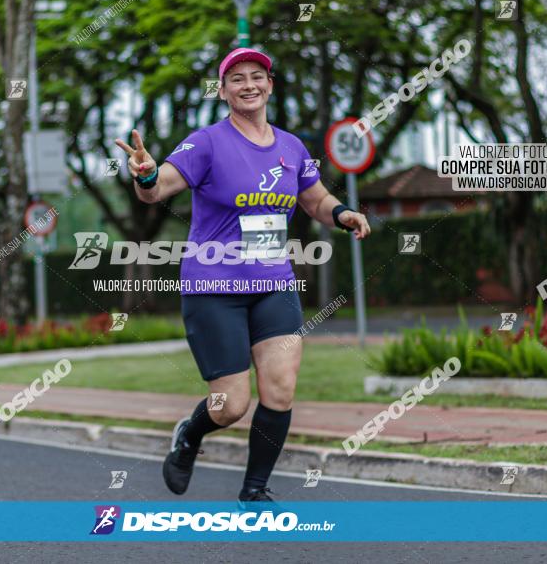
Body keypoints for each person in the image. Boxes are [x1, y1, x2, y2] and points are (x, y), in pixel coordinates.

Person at [114, 48, 370, 508]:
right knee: (230, 406)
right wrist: (147, 174)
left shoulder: (291, 147)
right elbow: (158, 188)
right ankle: (190, 435)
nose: (248, 85)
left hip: (274, 284)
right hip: (214, 289)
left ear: (270, 85)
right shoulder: (206, 143)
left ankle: (255, 489)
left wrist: (344, 213)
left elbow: (315, 200)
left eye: (256, 76)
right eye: (236, 79)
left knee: (281, 388)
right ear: (223, 91)